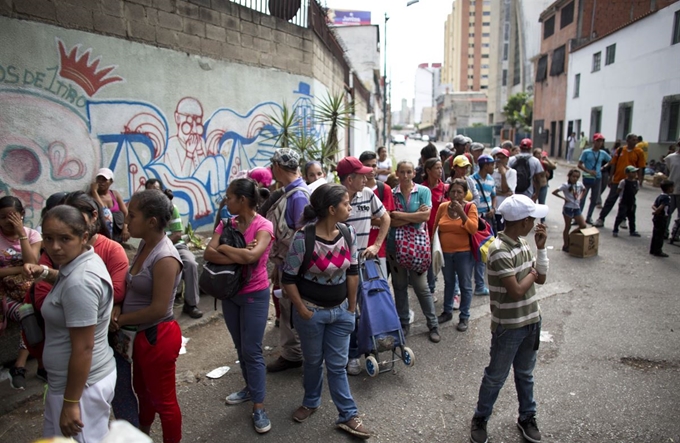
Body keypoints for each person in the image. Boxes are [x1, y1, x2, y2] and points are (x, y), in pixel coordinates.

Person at [27, 192, 136, 425]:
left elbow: (84, 348)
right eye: (48, 239)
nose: (54, 247)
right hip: (84, 381)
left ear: (84, 236)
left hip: (81, 387)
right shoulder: (84, 259)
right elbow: (67, 279)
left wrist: (71, 403)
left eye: (64, 239)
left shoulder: (80, 282)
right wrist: (45, 273)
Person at [281, 184, 372, 439]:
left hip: (341, 312)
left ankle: (348, 415)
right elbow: (287, 279)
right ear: (332, 209)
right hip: (311, 314)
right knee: (312, 361)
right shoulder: (303, 238)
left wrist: (351, 309)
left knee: (337, 365)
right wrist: (302, 310)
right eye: (345, 203)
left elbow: (353, 272)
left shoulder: (348, 233)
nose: (350, 207)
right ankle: (311, 401)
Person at [469, 194, 549, 443]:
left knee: (525, 374)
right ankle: (480, 418)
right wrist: (533, 273)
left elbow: (541, 278)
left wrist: (542, 249)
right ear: (523, 221)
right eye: (532, 218)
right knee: (496, 376)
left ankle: (527, 417)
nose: (536, 222)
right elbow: (515, 291)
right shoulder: (499, 249)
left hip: (532, 321)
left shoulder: (524, 244)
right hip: (509, 327)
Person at [204, 178, 274, 433]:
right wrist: (236, 251)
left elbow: (253, 257)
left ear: (242, 200)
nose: (226, 201)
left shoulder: (263, 226)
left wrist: (224, 247)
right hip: (230, 293)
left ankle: (259, 405)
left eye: (229, 197)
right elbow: (208, 254)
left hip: (255, 294)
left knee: (252, 350)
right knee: (240, 346)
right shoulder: (226, 223)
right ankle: (249, 388)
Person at [113, 190, 183, 443]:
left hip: (157, 336)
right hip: (139, 335)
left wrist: (120, 321)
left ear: (151, 221)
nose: (126, 219)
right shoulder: (145, 243)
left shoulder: (165, 256)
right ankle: (143, 435)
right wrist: (119, 307)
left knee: (164, 402)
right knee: (143, 391)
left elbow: (159, 309)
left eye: (132, 215)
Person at [337, 157, 390, 376]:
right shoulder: (335, 198)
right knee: (347, 311)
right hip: (339, 265)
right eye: (362, 175)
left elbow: (385, 218)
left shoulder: (368, 194)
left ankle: (361, 352)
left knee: (364, 309)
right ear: (350, 179)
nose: (367, 177)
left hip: (362, 262)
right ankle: (347, 355)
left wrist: (377, 245)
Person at [266, 148, 310, 373]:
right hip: (287, 266)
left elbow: (301, 237)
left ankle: (295, 355)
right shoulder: (290, 192)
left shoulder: (298, 195)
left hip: (295, 269)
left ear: (278, 167)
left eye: (273, 165)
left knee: (293, 310)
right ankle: (292, 353)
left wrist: (289, 269)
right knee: (287, 310)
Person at [387, 161, 440, 343]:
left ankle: (433, 325)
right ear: (397, 173)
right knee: (399, 285)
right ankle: (403, 323)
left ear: (414, 173)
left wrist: (400, 215)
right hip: (395, 246)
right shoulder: (391, 193)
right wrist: (413, 216)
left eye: (409, 172)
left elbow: (424, 217)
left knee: (421, 287)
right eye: (402, 172)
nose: (405, 175)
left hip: (417, 248)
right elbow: (390, 221)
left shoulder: (423, 191)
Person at [145, 179, 203, 319]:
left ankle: (191, 304)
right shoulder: (145, 212)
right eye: (150, 190)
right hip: (153, 247)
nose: (154, 193)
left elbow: (177, 234)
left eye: (156, 190)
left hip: (175, 246)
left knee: (190, 263)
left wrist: (162, 245)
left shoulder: (171, 208)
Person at [0, 196, 42, 390]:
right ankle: (28, 366)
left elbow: (32, 264)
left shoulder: (33, 235)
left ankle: (20, 365)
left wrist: (21, 235)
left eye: (13, 218)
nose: (8, 223)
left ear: (22, 216)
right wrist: (18, 270)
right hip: (4, 296)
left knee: (32, 313)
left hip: (26, 294)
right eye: (3, 218)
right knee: (31, 313)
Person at [432, 179, 478, 331]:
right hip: (446, 253)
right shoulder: (443, 207)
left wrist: (461, 213)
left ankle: (464, 316)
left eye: (459, 192)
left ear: (465, 194)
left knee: (465, 285)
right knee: (449, 283)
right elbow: (435, 228)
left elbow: (472, 229)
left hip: (464, 253)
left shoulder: (470, 207)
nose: (456, 195)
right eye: (453, 191)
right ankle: (447, 311)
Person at [593, 133, 645, 228]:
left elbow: (641, 167)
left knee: (627, 201)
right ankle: (601, 218)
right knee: (610, 200)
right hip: (617, 180)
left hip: (630, 182)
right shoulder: (620, 150)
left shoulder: (639, 152)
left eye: (636, 140)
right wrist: (611, 177)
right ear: (628, 140)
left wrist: (639, 180)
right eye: (633, 139)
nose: (635, 141)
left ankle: (623, 220)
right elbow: (613, 163)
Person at [360, 150, 397, 278]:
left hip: (378, 248)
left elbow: (386, 218)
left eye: (374, 165)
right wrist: (374, 217)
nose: (371, 169)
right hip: (357, 247)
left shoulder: (384, 189)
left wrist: (364, 216)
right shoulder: (355, 189)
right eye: (367, 165)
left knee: (379, 286)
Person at [422, 158, 449, 296]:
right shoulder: (421, 189)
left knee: (446, 264)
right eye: (437, 168)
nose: (440, 171)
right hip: (425, 232)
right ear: (428, 170)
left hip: (442, 233)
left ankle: (453, 292)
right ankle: (431, 290)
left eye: (441, 168)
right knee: (429, 263)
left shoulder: (446, 189)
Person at [471, 155, 497, 297]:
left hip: (487, 220)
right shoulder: (471, 180)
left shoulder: (491, 180)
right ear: (485, 165)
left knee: (483, 251)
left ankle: (480, 285)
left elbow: (493, 196)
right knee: (473, 252)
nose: (494, 167)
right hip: (475, 219)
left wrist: (493, 208)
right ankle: (475, 284)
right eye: (492, 164)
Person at [578, 133, 612, 224]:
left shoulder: (603, 153)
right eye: (598, 141)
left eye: (601, 141)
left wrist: (603, 167)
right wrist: (588, 171)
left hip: (597, 178)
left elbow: (611, 161)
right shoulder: (586, 152)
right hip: (587, 178)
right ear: (594, 141)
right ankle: (578, 217)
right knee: (582, 198)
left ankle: (589, 217)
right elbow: (579, 164)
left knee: (594, 199)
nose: (600, 143)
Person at [90, 168, 129, 243]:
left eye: (104, 180)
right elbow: (104, 211)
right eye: (99, 179)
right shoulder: (92, 196)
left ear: (111, 182)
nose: (101, 182)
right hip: (102, 235)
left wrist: (125, 228)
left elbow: (125, 213)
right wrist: (94, 192)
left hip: (117, 234)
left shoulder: (114, 194)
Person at [552, 169, 587, 252]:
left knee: (583, 225)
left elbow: (584, 190)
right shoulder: (565, 185)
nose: (575, 179)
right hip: (568, 208)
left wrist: (581, 197)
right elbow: (554, 192)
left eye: (577, 177)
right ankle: (566, 244)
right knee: (568, 226)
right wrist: (564, 198)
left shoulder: (579, 184)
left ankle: (571, 236)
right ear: (569, 176)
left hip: (576, 207)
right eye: (573, 176)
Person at [612, 166, 642, 238]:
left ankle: (632, 230)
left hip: (631, 201)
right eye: (632, 172)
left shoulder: (636, 182)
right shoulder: (623, 182)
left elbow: (635, 191)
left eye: (635, 172)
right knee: (620, 216)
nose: (634, 174)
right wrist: (621, 196)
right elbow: (619, 190)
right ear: (627, 173)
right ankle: (615, 230)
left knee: (632, 217)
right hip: (624, 201)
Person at [492, 148, 516, 232]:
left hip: (506, 208)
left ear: (507, 159)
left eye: (502, 158)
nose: (500, 160)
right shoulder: (492, 172)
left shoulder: (512, 172)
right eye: (498, 157)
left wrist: (503, 174)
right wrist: (502, 193)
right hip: (495, 208)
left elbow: (506, 190)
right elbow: (491, 191)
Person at [650, 180, 674, 257]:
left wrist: (655, 211)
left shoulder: (660, 196)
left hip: (657, 217)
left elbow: (653, 205)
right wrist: (657, 212)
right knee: (660, 235)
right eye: (672, 187)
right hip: (662, 218)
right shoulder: (667, 197)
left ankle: (653, 249)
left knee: (655, 234)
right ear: (669, 188)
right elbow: (661, 207)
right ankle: (658, 250)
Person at [533, 149, 556, 222]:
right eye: (538, 153)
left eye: (540, 153)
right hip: (533, 186)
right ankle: (530, 220)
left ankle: (542, 221)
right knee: (532, 203)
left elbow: (553, 166)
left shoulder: (543, 163)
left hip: (543, 185)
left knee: (542, 203)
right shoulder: (532, 163)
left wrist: (547, 158)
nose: (540, 155)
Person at [665, 141, 680, 242]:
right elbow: (668, 172)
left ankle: (675, 233)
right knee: (667, 212)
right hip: (671, 189)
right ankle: (664, 231)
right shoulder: (670, 158)